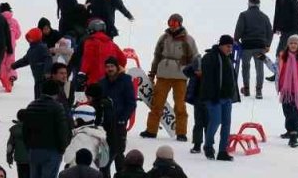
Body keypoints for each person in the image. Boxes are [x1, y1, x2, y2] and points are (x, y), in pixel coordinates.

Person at [140, 14, 197, 142]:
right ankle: (151, 130)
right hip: (163, 75)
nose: (172, 25)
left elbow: (194, 58)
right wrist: (152, 73)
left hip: (180, 77)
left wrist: (194, 75)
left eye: (175, 23)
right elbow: (156, 57)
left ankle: (181, 132)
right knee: (157, 104)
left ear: (180, 24)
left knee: (180, 105)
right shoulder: (163, 38)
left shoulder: (188, 40)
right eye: (170, 22)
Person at [19, 80, 72, 178]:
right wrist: (62, 148)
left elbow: (25, 130)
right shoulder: (57, 107)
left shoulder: (32, 105)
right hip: (52, 150)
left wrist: (29, 147)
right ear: (57, 93)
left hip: (34, 150)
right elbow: (62, 130)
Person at [198, 35, 240, 161]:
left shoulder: (228, 59)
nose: (230, 49)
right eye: (228, 46)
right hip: (214, 97)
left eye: (231, 46)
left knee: (226, 124)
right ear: (221, 45)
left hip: (227, 97)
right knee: (215, 121)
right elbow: (207, 80)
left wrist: (233, 94)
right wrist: (212, 95)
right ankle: (208, 146)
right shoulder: (210, 57)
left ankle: (223, 151)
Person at [98, 59, 136, 167]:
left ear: (117, 67)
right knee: (105, 155)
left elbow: (131, 103)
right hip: (105, 123)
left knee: (118, 153)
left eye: (112, 66)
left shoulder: (125, 80)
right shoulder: (102, 82)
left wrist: (123, 118)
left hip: (118, 123)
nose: (109, 69)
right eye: (107, 66)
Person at [234, 0, 272, 99]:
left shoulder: (243, 15)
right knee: (259, 68)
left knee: (245, 67)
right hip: (260, 47)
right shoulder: (264, 16)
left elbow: (239, 29)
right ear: (259, 4)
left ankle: (246, 89)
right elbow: (269, 31)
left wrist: (236, 40)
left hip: (246, 47)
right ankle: (259, 91)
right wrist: (268, 44)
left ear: (249, 3)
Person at [276, 35, 298, 148]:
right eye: (291, 43)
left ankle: (293, 136)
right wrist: (264, 60)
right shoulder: (282, 56)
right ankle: (292, 130)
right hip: (285, 90)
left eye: (295, 43)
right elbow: (275, 68)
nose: (293, 45)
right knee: (287, 112)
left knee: (295, 113)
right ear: (288, 44)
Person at [12, 26, 52, 99]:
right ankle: (37, 106)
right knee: (37, 95)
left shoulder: (42, 47)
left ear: (36, 37)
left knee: (43, 95)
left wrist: (47, 71)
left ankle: (42, 107)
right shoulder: (31, 49)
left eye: (31, 37)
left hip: (43, 77)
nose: (29, 39)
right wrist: (14, 65)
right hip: (37, 77)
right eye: (28, 38)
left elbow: (48, 59)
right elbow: (25, 60)